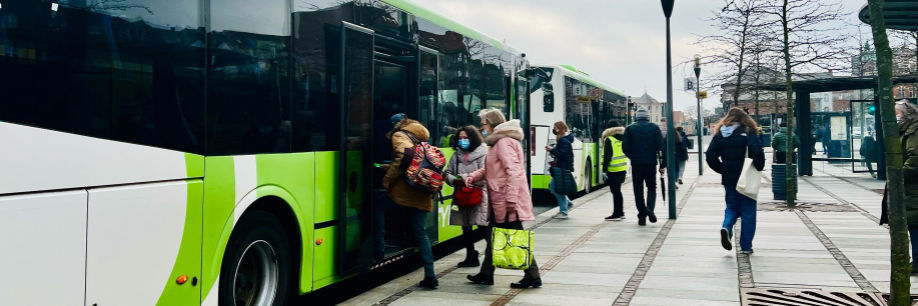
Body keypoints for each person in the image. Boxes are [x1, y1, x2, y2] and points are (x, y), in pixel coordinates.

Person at [465, 109, 542, 289]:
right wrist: (473, 176)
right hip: (500, 199)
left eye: (483, 123)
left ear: (492, 123)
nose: (482, 127)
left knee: (515, 237)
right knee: (494, 235)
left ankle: (532, 275)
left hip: (506, 202)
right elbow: (490, 169)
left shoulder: (504, 142)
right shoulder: (499, 142)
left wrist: (511, 199)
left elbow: (513, 172)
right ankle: (486, 273)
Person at [382, 115, 438, 289]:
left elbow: (404, 156)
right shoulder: (419, 135)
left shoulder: (399, 135)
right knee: (420, 232)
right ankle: (431, 275)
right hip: (422, 190)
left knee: (377, 207)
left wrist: (388, 178)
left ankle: (376, 248)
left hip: (407, 191)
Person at [706, 107, 765, 254]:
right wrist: (759, 166)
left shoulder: (720, 134)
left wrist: (722, 169)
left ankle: (726, 227)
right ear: (744, 118)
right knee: (748, 212)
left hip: (729, 178)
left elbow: (710, 156)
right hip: (747, 177)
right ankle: (746, 247)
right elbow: (757, 151)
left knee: (731, 207)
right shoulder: (748, 131)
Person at [879, 100, 918, 274]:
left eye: (897, 113)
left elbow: (915, 160)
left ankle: (917, 262)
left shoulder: (914, 131)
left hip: (913, 188)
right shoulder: (907, 130)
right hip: (910, 189)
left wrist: (897, 177)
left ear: (906, 114)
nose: (895, 117)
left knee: (915, 225)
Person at [443, 125, 489, 268]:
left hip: (478, 195)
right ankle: (471, 255)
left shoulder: (482, 153)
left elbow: (485, 175)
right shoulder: (456, 154)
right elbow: (447, 172)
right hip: (462, 196)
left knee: (482, 228)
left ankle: (492, 257)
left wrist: (464, 178)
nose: (462, 141)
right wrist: (452, 180)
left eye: (465, 138)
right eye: (460, 138)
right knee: (465, 227)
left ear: (472, 138)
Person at [623, 107, 665, 226]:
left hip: (636, 164)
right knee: (651, 187)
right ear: (648, 117)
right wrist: (663, 164)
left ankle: (642, 215)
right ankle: (650, 209)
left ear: (636, 117)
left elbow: (625, 147)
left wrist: (633, 156)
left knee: (638, 189)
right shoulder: (655, 128)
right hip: (651, 163)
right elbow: (661, 147)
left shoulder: (630, 128)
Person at [546, 121, 575, 218]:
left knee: (556, 189)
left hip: (562, 168)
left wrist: (552, 150)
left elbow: (563, 154)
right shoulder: (563, 139)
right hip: (561, 167)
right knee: (552, 186)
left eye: (556, 128)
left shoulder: (563, 140)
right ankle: (568, 203)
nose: (554, 130)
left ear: (561, 128)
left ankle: (564, 211)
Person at [602, 121, 627, 221]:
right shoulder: (623, 138)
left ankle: (617, 214)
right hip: (622, 169)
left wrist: (604, 170)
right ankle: (620, 212)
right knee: (618, 191)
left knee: (615, 192)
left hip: (613, 170)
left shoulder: (609, 139)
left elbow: (607, 156)